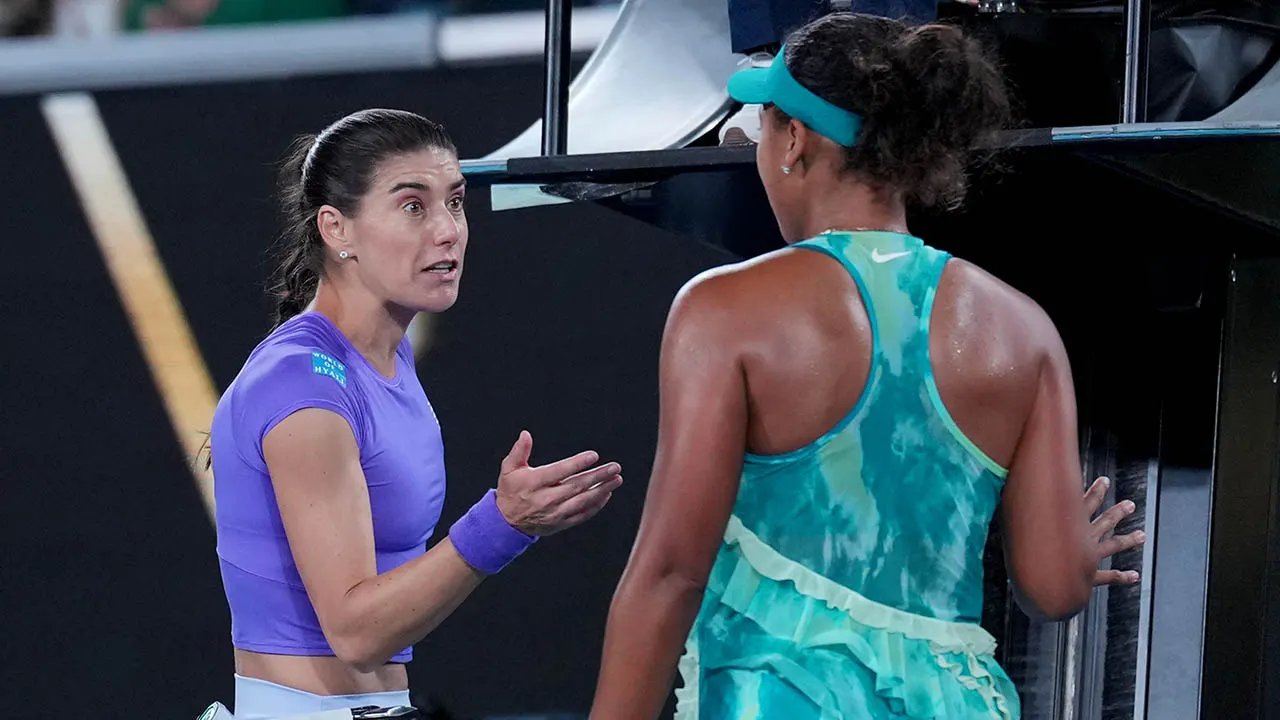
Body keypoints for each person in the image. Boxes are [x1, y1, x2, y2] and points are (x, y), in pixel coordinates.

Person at [590, 13, 1144, 720]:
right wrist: (1075, 549)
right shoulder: (1024, 330)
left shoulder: (723, 310)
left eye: (763, 124)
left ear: (794, 140)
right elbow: (1055, 587)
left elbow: (671, 574)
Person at [203, 108, 623, 720]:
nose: (448, 230)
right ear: (336, 229)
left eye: (455, 202)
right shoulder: (303, 385)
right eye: (412, 206)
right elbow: (357, 633)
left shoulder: (385, 356)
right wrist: (503, 524)